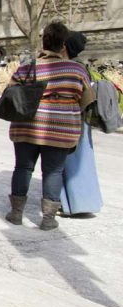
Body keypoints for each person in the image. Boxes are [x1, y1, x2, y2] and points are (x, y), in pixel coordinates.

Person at [5, 22, 95, 230]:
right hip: (61, 130)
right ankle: (48, 219)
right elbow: (87, 99)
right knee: (53, 172)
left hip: (26, 128)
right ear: (63, 44)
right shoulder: (76, 70)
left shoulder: (26, 68)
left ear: (44, 41)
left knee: (23, 168)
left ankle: (16, 213)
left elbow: (12, 95)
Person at [59, 31, 103, 216]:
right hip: (81, 120)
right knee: (83, 161)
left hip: (71, 120)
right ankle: (85, 202)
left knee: (69, 162)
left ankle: (73, 204)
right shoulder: (81, 67)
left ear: (66, 47)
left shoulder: (70, 68)